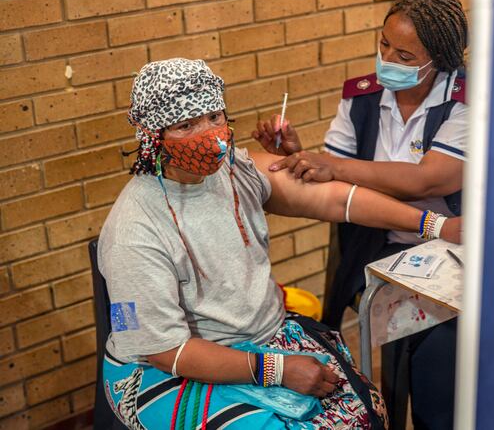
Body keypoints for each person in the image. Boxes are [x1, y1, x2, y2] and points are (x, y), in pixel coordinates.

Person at [99, 58, 461, 430]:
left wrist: (435, 224)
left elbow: (337, 199)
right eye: (187, 124)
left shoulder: (234, 170)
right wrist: (275, 369)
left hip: (260, 337)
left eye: (215, 116)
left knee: (367, 411)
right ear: (151, 136)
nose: (209, 134)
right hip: (168, 370)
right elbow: (165, 350)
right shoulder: (135, 231)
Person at [254, 0, 468, 430]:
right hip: (381, 246)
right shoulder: (362, 96)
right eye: (384, 45)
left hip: (454, 247)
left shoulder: (467, 102)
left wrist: (332, 165)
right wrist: (299, 156)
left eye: (406, 57)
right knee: (391, 356)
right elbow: (335, 180)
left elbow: (430, 178)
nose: (389, 60)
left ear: (440, 59)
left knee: (436, 362)